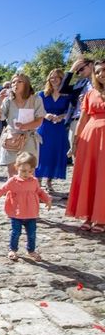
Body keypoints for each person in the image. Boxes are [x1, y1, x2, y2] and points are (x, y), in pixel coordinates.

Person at [66, 60, 105, 233]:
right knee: (90, 175)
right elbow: (82, 119)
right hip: (90, 138)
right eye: (97, 72)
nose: (101, 74)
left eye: (104, 70)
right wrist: (75, 142)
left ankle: (101, 218)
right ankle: (88, 215)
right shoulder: (90, 94)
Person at [0, 152, 52, 261]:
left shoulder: (34, 181)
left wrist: (47, 199)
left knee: (32, 234)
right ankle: (13, 249)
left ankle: (31, 250)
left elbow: (40, 192)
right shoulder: (13, 181)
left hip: (31, 213)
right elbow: (3, 189)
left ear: (33, 170)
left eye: (30, 171)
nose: (26, 173)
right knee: (16, 233)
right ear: (17, 167)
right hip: (16, 213)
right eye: (23, 171)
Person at [0, 73, 45, 178]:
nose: (15, 84)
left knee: (29, 171)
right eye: (13, 82)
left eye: (19, 81)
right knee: (12, 172)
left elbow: (39, 121)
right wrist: (0, 101)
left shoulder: (35, 99)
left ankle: (29, 194)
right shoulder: (8, 100)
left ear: (26, 84)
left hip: (29, 138)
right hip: (12, 139)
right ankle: (12, 194)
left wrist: (24, 126)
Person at [35, 69, 71, 192]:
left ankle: (49, 182)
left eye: (57, 77)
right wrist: (46, 115)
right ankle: (38, 182)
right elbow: (37, 109)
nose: (54, 79)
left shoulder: (67, 95)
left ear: (62, 79)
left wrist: (61, 117)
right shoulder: (41, 94)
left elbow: (70, 111)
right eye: (51, 77)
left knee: (54, 154)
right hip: (44, 127)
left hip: (59, 129)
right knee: (42, 154)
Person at [61, 58, 94, 164]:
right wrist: (71, 69)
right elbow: (63, 89)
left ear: (91, 65)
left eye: (81, 69)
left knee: (94, 153)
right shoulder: (81, 83)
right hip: (76, 120)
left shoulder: (101, 82)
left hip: (93, 120)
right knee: (77, 154)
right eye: (77, 71)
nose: (79, 72)